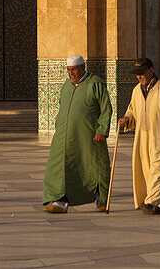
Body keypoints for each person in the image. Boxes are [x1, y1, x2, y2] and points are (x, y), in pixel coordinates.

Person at [42, 54, 112, 213]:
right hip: (65, 136)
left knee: (95, 167)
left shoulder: (95, 84)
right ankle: (59, 200)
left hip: (89, 136)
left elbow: (106, 108)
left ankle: (102, 200)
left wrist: (102, 129)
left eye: (74, 70)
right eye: (68, 70)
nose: (71, 73)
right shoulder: (67, 86)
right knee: (59, 167)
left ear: (83, 68)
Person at [118, 57, 160, 215]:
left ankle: (151, 201)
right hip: (143, 139)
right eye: (137, 74)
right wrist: (126, 119)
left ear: (151, 70)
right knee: (147, 170)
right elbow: (132, 110)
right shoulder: (136, 91)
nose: (139, 77)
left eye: (142, 73)